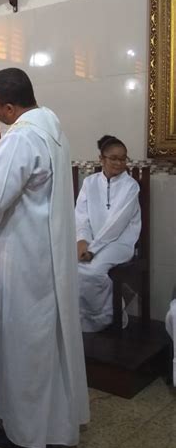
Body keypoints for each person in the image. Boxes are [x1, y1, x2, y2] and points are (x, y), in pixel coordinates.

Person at [0, 68, 89, 448]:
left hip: (22, 260)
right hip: (46, 254)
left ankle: (25, 433)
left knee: (22, 342)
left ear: (8, 106)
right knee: (44, 342)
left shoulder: (20, 138)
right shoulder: (53, 130)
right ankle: (53, 422)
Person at [76, 135, 141, 332]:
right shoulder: (89, 183)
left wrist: (93, 249)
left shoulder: (130, 186)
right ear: (101, 159)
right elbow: (81, 215)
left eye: (123, 158)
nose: (119, 163)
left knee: (91, 271)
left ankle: (111, 316)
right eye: (113, 158)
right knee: (69, 267)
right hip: (93, 242)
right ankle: (87, 317)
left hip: (120, 243)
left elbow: (116, 224)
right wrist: (82, 241)